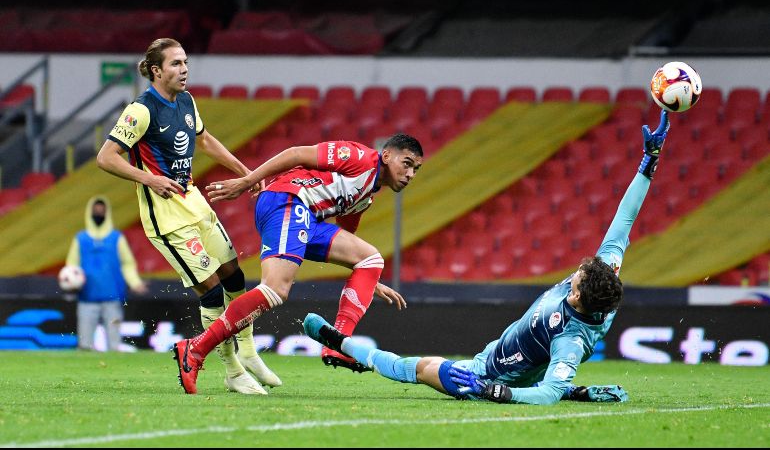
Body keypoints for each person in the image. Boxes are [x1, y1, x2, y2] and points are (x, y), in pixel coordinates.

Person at [302, 110, 673, 405]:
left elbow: (548, 395)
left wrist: (499, 393)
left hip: (482, 380)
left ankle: (342, 344)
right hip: (489, 356)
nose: (578, 269)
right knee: (431, 364)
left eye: (576, 278)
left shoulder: (571, 339)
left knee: (413, 367)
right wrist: (648, 162)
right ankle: (579, 394)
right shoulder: (603, 275)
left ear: (576, 297)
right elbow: (624, 221)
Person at [96, 37, 280, 395]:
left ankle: (249, 350)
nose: (184, 70)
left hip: (195, 202)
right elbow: (107, 157)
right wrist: (148, 178)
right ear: (156, 70)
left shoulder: (186, 101)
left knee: (235, 277)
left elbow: (206, 140)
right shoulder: (141, 110)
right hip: (168, 219)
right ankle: (232, 370)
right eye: (176, 64)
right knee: (211, 293)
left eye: (185, 63)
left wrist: (246, 173)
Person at [172, 133, 421, 394]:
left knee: (370, 260)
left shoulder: (367, 194)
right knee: (276, 289)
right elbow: (295, 154)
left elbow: (348, 238)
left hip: (309, 218)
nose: (410, 173)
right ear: (387, 155)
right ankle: (196, 348)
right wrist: (248, 181)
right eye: (407, 163)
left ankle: (336, 343)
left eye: (416, 168)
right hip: (288, 200)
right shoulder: (359, 158)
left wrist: (368, 278)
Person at [65, 196, 148, 351]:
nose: (99, 213)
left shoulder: (116, 238)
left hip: (113, 298)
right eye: (95, 211)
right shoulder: (80, 238)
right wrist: (69, 283)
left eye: (101, 211)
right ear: (89, 213)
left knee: (114, 344)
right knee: (84, 346)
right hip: (86, 298)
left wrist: (135, 283)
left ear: (107, 213)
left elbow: (127, 264)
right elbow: (71, 266)